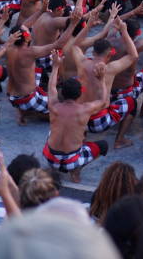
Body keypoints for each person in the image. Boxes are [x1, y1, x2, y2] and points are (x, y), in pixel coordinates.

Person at [43, 51, 109, 183]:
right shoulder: (85, 110)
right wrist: (102, 80)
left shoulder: (53, 106)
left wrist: (55, 66)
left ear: (62, 93)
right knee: (103, 145)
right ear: (80, 94)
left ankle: (55, 168)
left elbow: (51, 87)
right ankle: (75, 171)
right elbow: (103, 101)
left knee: (52, 131)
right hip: (71, 161)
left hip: (50, 157)